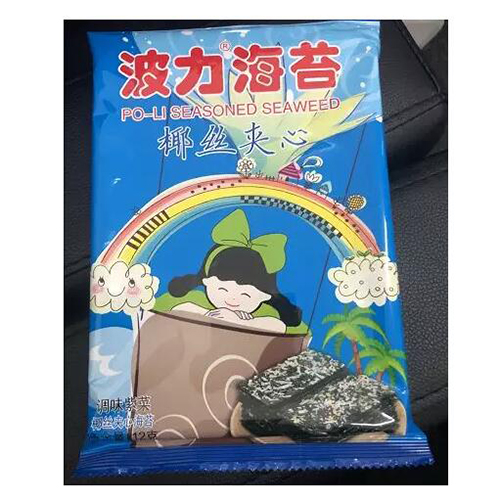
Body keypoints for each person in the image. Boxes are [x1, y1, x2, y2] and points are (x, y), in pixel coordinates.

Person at [155, 209, 304, 334]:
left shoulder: (267, 318)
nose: (232, 299)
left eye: (245, 294)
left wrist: (239, 320)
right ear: (206, 282)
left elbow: (279, 327)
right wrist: (210, 316)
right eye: (222, 289)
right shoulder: (194, 303)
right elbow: (179, 310)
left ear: (264, 296)